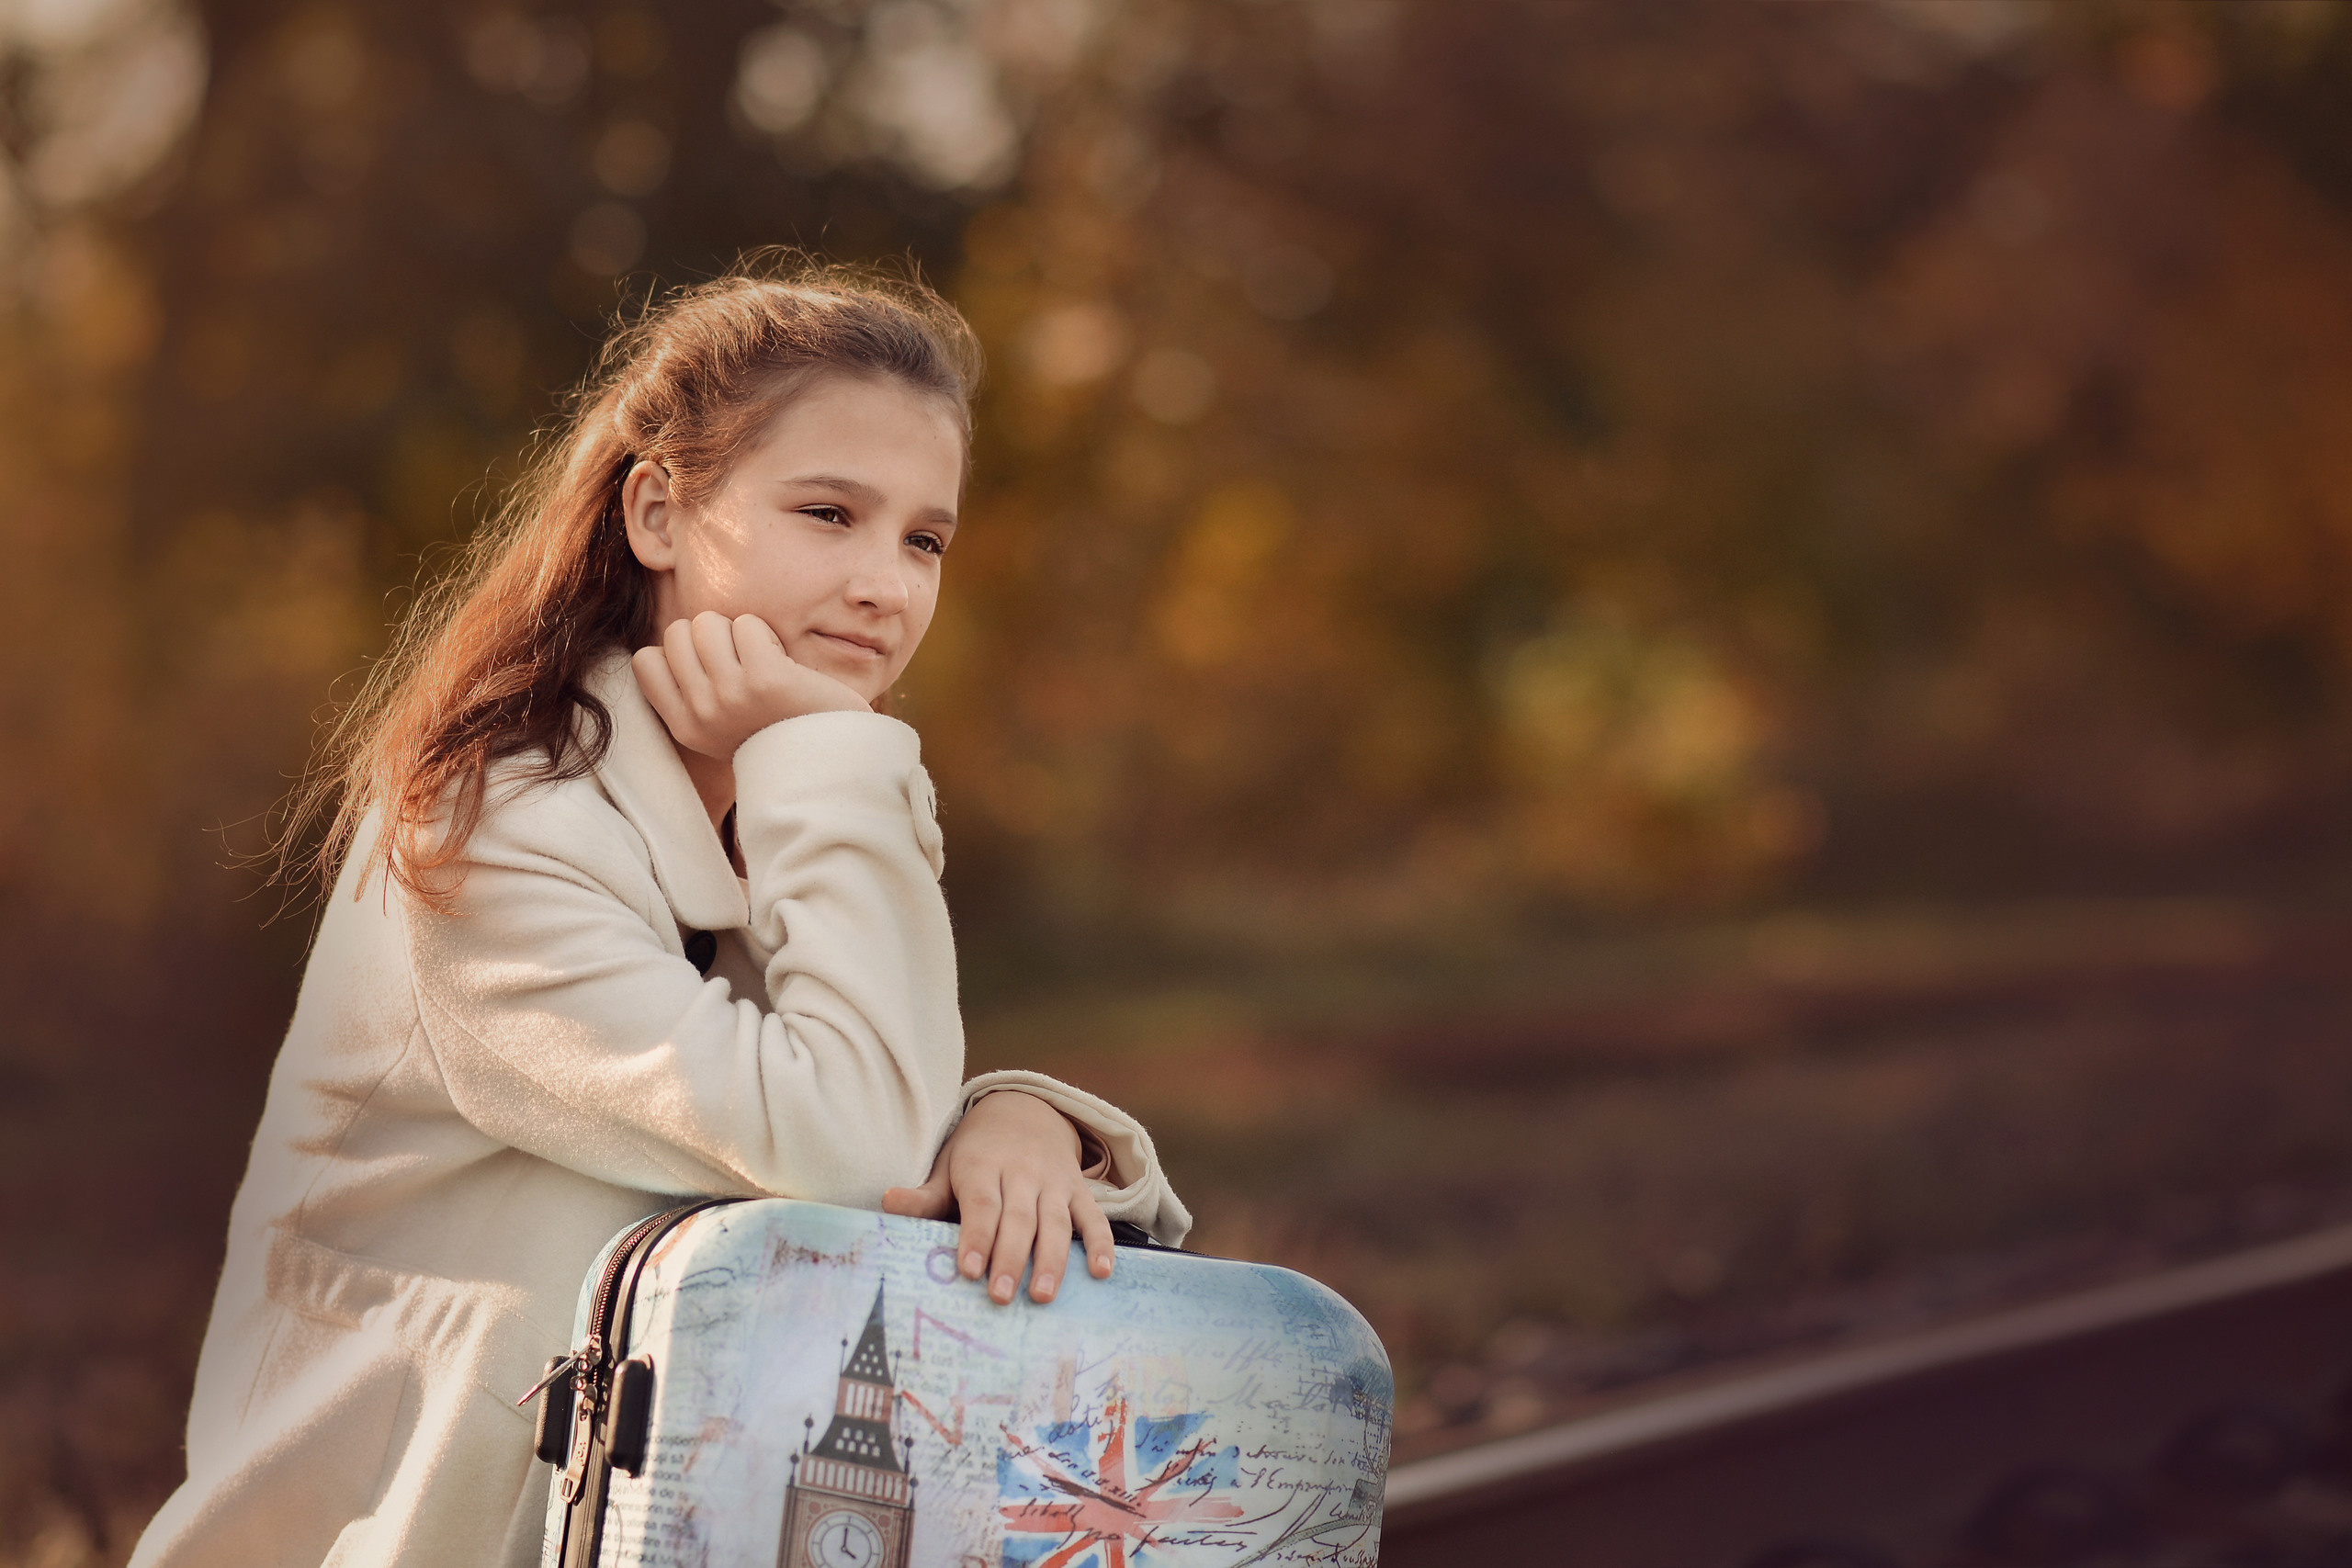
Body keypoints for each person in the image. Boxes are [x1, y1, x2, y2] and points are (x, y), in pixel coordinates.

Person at [127, 261, 1189, 1568]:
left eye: (923, 539)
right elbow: (844, 1154)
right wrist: (831, 758)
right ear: (659, 511)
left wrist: (1011, 1120)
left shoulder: (794, 787)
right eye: (828, 513)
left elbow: (846, 1116)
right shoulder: (496, 827)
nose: (884, 585)